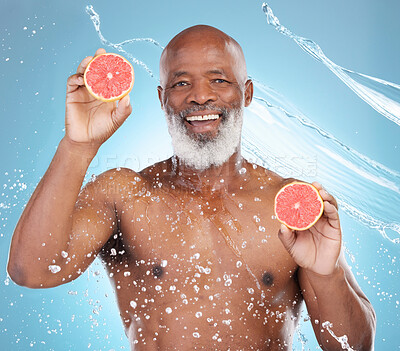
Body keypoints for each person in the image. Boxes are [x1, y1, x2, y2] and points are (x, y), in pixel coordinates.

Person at [8, 25, 376, 350]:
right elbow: (33, 271)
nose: (200, 96)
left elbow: (354, 347)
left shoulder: (288, 204)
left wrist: (327, 274)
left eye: (219, 80)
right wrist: (78, 147)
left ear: (246, 93)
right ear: (162, 98)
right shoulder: (125, 194)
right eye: (181, 82)